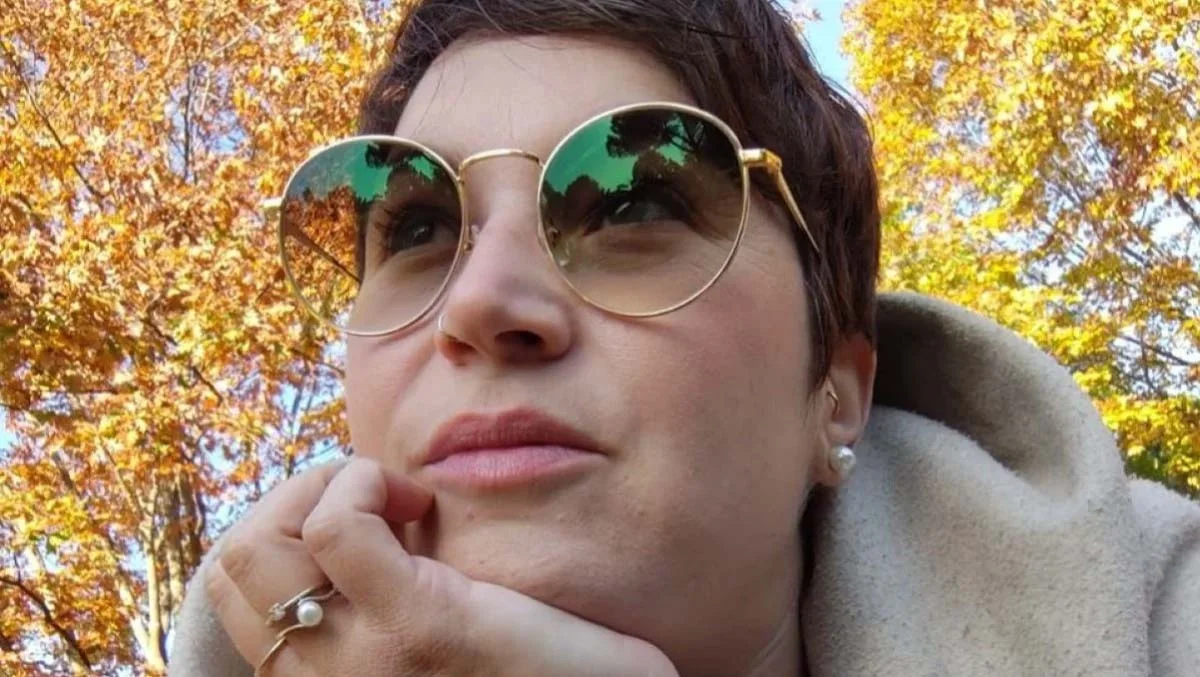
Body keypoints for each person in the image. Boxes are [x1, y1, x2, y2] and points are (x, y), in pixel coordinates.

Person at [167, 1, 1200, 675]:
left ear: (837, 393)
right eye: (418, 229)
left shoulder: (1163, 615)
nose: (479, 303)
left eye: (632, 204)